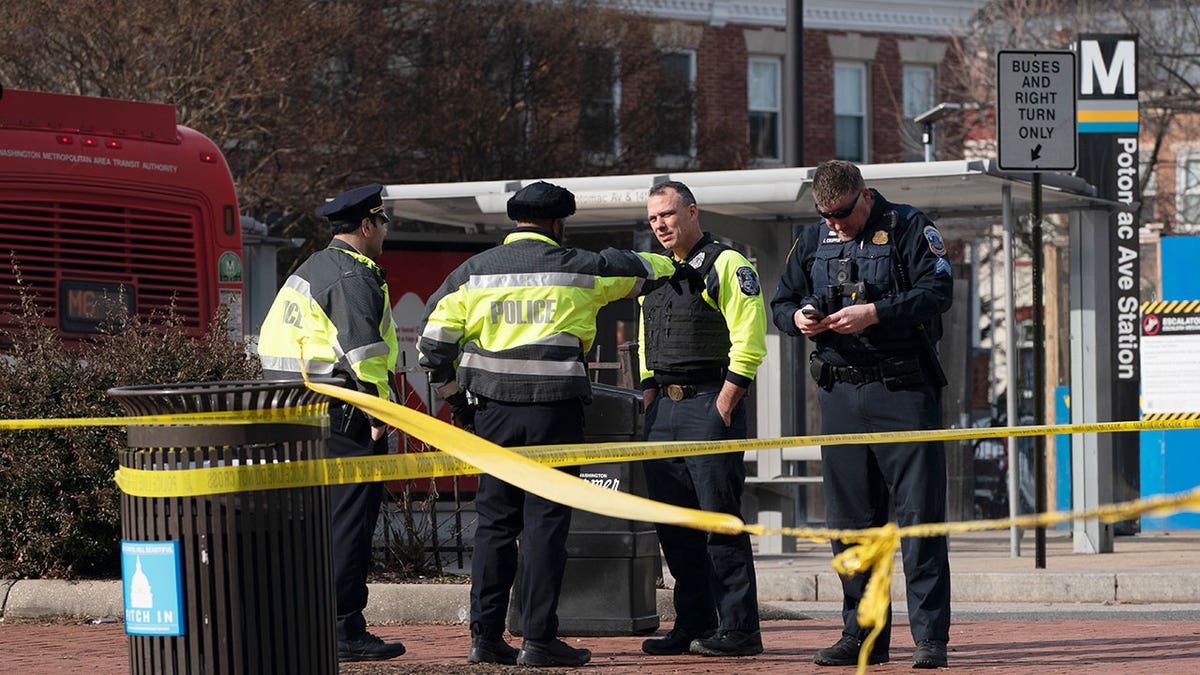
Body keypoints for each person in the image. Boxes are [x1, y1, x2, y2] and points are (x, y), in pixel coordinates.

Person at [417, 181, 686, 668]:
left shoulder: (472, 273)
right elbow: (647, 270)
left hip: (491, 413)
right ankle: (538, 640)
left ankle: (485, 637)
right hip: (554, 415)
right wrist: (679, 259)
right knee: (545, 526)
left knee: (495, 524)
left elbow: (431, 347)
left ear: (514, 223)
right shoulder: (583, 268)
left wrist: (457, 403)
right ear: (560, 224)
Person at [770, 159, 953, 669]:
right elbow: (780, 301)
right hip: (840, 396)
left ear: (864, 196)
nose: (835, 223)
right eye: (825, 215)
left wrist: (875, 312)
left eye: (842, 214)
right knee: (851, 526)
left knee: (918, 522)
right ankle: (862, 635)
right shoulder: (812, 239)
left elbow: (938, 292)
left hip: (903, 391)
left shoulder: (910, 226)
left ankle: (930, 640)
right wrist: (799, 319)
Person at [257, 183, 406, 663]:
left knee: (309, 530)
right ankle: (343, 629)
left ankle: (305, 623)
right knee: (347, 527)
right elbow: (366, 357)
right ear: (366, 225)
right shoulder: (351, 275)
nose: (384, 232)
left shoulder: (309, 269)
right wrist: (379, 414)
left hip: (295, 416)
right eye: (382, 223)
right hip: (342, 421)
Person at [636, 180, 768, 658]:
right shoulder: (654, 272)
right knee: (674, 525)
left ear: (692, 211)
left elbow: (750, 338)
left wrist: (727, 401)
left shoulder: (728, 264)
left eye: (668, 214)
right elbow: (645, 339)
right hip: (665, 410)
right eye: (653, 219)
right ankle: (691, 625)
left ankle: (739, 629)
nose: (660, 226)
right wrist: (650, 390)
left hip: (710, 401)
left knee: (719, 522)